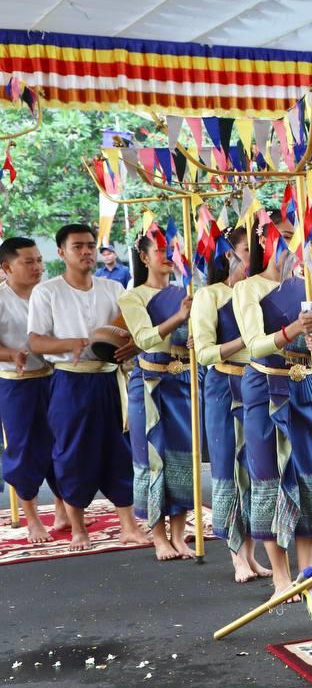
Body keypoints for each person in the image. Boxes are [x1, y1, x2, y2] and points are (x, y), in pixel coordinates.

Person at [233, 212, 312, 602]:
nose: (290, 245)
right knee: (270, 476)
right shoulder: (248, 288)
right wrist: (293, 330)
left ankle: (307, 571)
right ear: (263, 241)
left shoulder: (311, 287)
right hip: (264, 387)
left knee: (309, 474)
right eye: (281, 236)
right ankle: (281, 575)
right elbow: (254, 344)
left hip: (305, 386)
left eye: (295, 237)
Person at [28, 224, 146, 551]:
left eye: (90, 246)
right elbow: (35, 341)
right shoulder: (47, 292)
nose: (86, 252)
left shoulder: (113, 287)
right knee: (73, 453)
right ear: (61, 252)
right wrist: (72, 343)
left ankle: (128, 526)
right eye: (78, 246)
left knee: (119, 450)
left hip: (110, 378)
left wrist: (132, 345)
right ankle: (78, 528)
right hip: (70, 379)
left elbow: (131, 330)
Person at [192, 227, 270, 582]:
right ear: (230, 254)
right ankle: (237, 555)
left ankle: (252, 553)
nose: (259, 254)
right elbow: (205, 352)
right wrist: (248, 338)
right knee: (229, 465)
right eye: (249, 249)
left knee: (258, 467)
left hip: (260, 383)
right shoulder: (209, 295)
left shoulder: (261, 290)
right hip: (224, 385)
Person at [119, 232, 197, 561]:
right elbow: (144, 339)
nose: (168, 255)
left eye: (173, 249)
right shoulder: (133, 297)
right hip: (148, 381)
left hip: (182, 381)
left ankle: (179, 534)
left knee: (182, 457)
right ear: (144, 257)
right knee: (151, 455)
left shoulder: (189, 292)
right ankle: (158, 536)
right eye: (161, 250)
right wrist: (178, 317)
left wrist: (195, 336)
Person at [0, 237, 69, 543]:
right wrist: (10, 354)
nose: (37, 267)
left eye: (39, 260)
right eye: (28, 262)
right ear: (6, 267)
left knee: (62, 444)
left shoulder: (51, 293)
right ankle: (32, 518)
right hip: (16, 384)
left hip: (56, 378)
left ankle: (62, 508)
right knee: (24, 449)